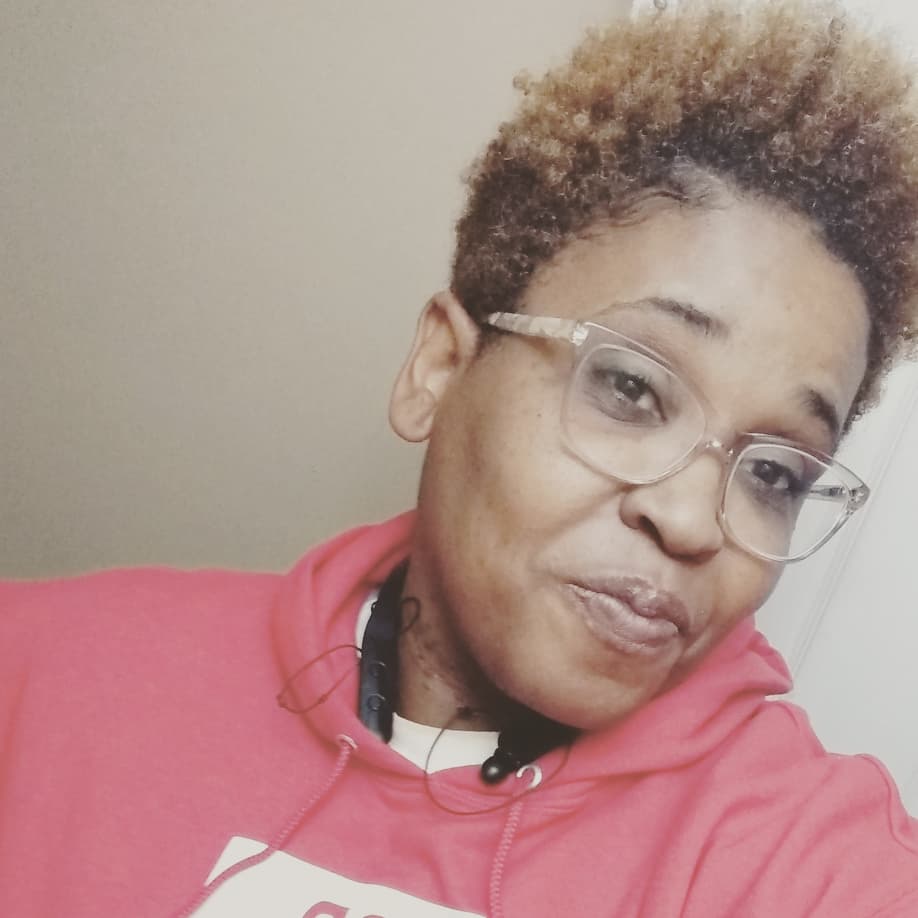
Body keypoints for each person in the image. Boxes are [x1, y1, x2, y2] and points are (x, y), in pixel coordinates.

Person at [3, 2, 918, 916]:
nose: (687, 520)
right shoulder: (43, 674)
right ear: (440, 367)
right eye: (632, 388)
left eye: (774, 473)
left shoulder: (803, 858)